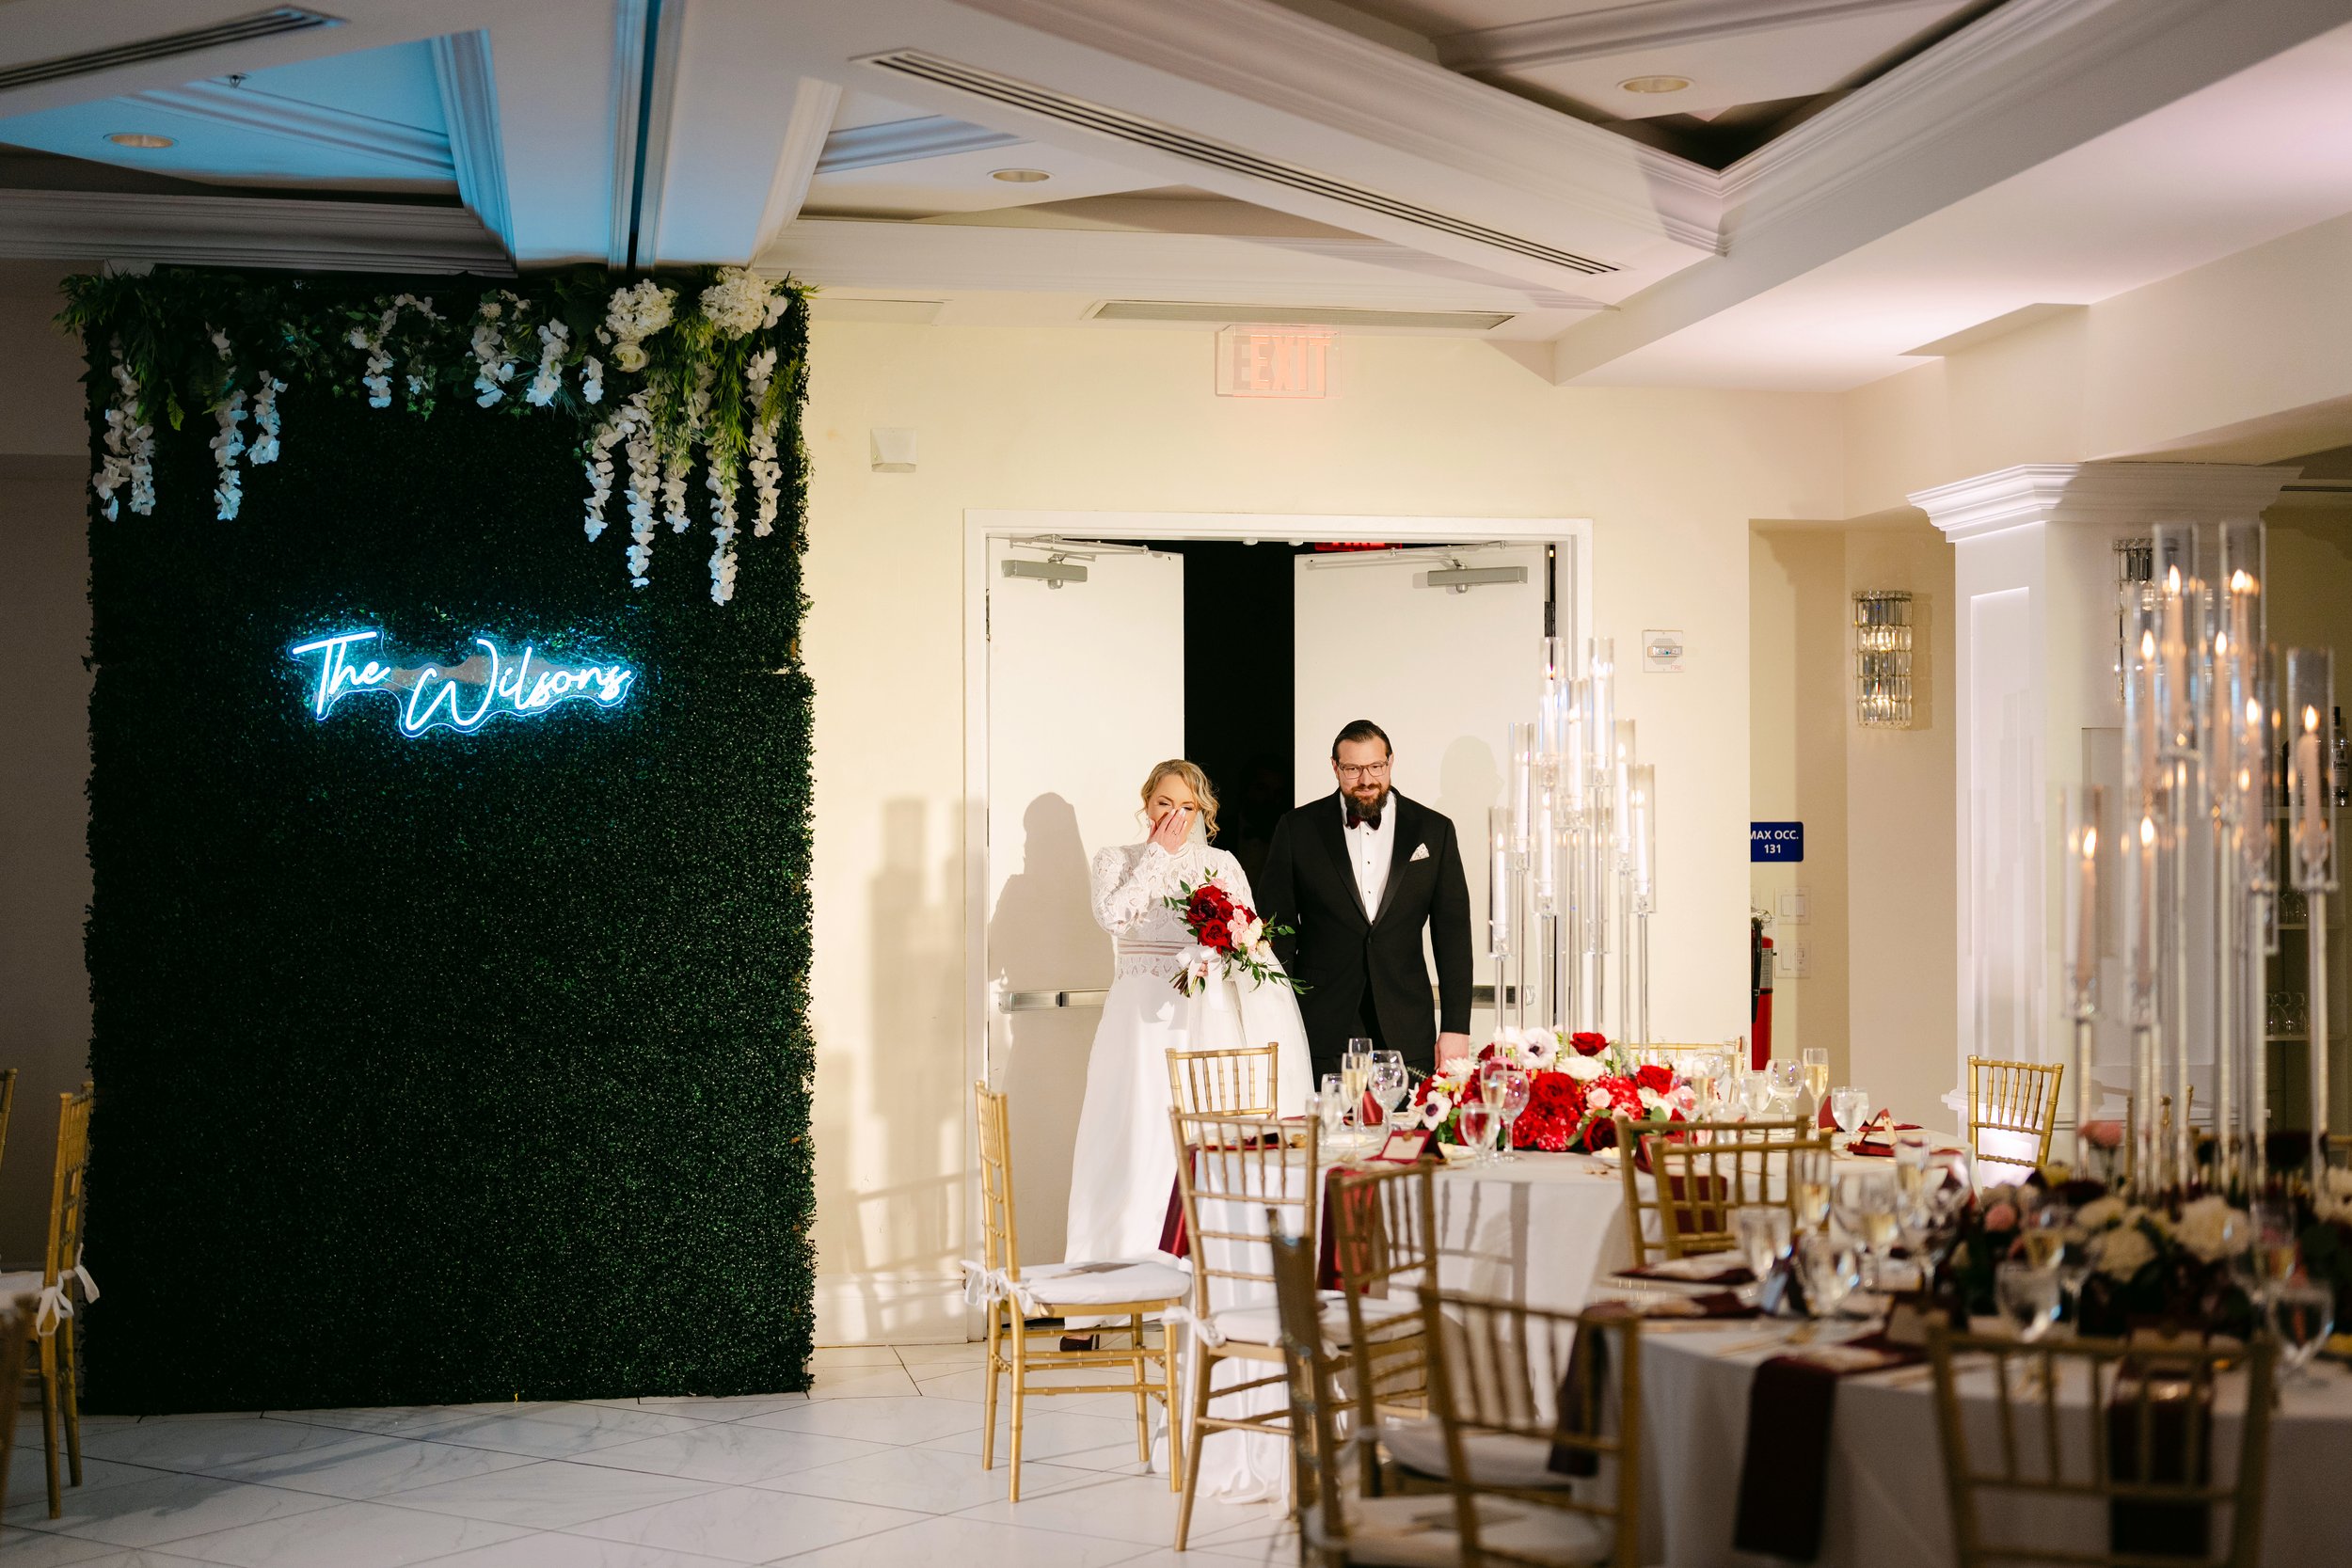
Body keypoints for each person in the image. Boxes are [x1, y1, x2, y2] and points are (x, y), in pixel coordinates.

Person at [1062, 759, 1311, 1268]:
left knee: (1202, 1138)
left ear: (1202, 812)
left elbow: (1250, 943)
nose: (1175, 816)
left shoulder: (1220, 863)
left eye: (1187, 807)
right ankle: (1109, 1275)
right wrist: (1157, 855)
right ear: (1146, 802)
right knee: (1128, 1132)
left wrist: (1223, 950)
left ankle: (1200, 1273)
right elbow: (1114, 916)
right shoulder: (1116, 859)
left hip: (1202, 1018)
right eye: (1164, 804)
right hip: (1136, 1023)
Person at [1258, 719, 1473, 1081]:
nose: (1366, 779)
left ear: (1390, 762)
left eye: (1376, 766)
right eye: (1353, 769)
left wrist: (1456, 1027)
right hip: (1322, 1021)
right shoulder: (1298, 828)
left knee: (1409, 1133)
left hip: (1408, 1023)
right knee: (1330, 1133)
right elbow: (1276, 929)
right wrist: (1280, 1015)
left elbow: (1452, 934)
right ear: (1335, 767)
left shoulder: (1434, 830)